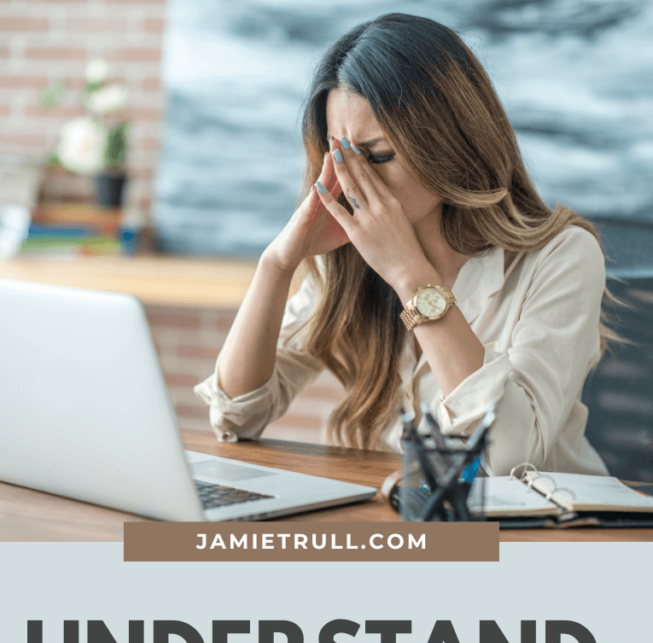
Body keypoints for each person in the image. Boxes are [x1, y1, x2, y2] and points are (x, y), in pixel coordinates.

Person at [195, 13, 611, 476]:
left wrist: (410, 276)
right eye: (341, 156)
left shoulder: (562, 257)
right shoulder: (349, 261)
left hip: (542, 531)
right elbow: (236, 417)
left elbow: (505, 458)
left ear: (451, 141)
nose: (356, 179)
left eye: (379, 156)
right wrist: (277, 264)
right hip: (407, 523)